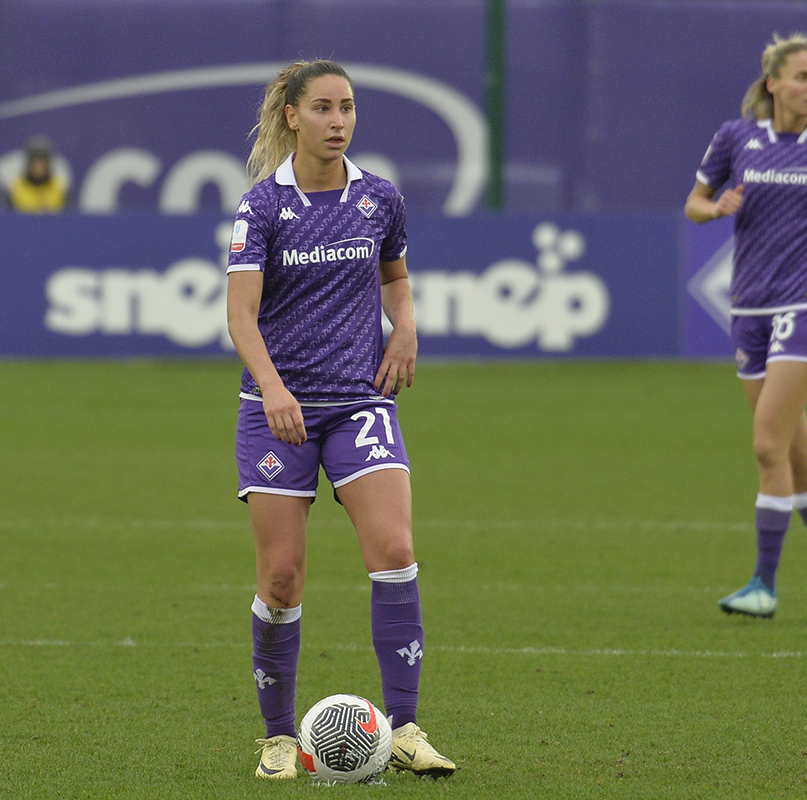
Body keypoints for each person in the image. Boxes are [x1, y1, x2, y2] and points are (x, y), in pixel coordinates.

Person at [226, 59, 455, 780]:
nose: (338, 121)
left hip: (360, 402)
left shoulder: (379, 197)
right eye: (323, 107)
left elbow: (394, 276)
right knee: (283, 579)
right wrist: (273, 388)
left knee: (394, 551)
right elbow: (240, 314)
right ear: (292, 115)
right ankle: (275, 738)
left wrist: (407, 325)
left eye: (347, 107)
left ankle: (408, 727)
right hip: (278, 413)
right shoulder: (263, 207)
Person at [684, 33, 807, 623]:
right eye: (803, 77)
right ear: (773, 82)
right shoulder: (736, 138)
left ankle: (763, 584)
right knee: (795, 453)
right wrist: (716, 207)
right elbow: (695, 202)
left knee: (768, 443)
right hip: (748, 308)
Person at [4, 136, 67, 213]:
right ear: (28, 164)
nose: (39, 169)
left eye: (42, 164)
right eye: (35, 164)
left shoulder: (60, 189)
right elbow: (4, 218)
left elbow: (69, 218)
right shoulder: (14, 189)